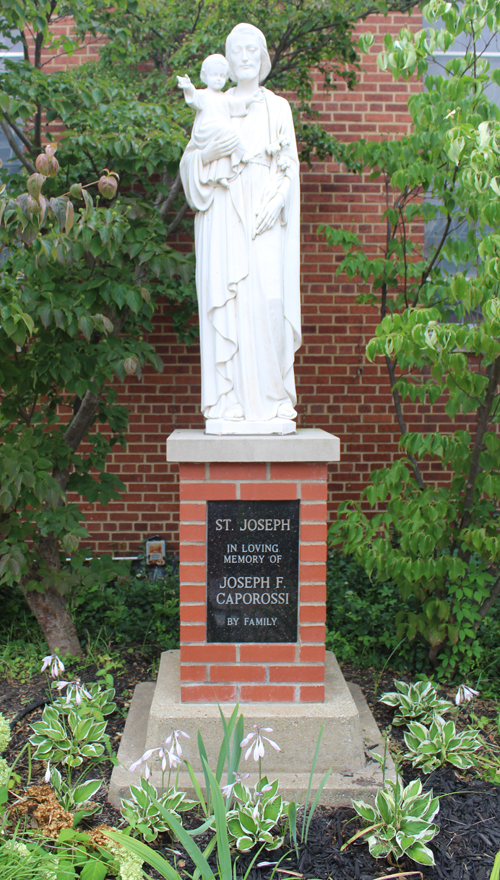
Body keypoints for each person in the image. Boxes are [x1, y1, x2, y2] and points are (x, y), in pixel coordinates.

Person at [179, 24, 301, 430]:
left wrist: (277, 201)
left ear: (263, 56)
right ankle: (228, 398)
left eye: (253, 49)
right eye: (237, 51)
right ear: (227, 61)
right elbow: (191, 165)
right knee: (228, 304)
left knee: (269, 302)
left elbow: (290, 168)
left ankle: (273, 396)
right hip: (223, 218)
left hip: (264, 217)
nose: (246, 57)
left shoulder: (278, 107)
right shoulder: (212, 104)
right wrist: (209, 153)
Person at [177, 53, 262, 188]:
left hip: (220, 130)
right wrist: (188, 87)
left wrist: (251, 99)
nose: (218, 79)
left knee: (224, 150)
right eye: (214, 75)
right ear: (205, 77)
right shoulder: (204, 94)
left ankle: (220, 175)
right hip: (207, 129)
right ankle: (242, 154)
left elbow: (236, 105)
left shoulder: (224, 97)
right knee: (230, 133)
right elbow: (194, 98)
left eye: (222, 76)